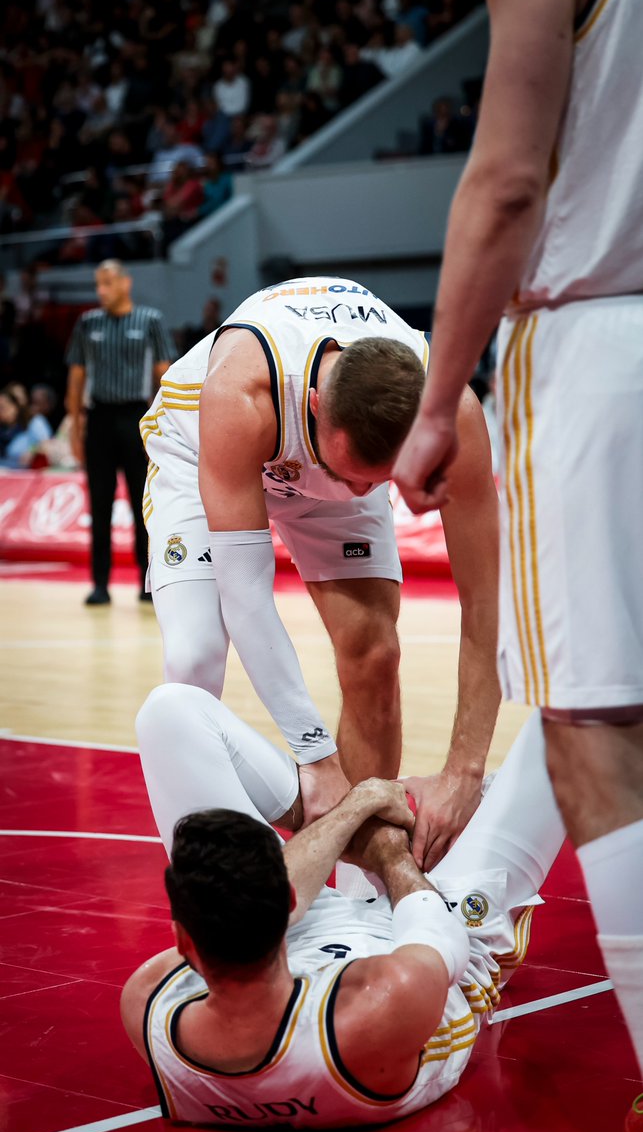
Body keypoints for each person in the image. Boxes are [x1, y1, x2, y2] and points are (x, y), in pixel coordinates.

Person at [392, 0, 643, 1111]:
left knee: (592, 729)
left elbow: (505, 181)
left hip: (600, 345)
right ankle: (481, 903)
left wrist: (439, 400)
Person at [140, 275, 500, 870]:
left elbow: (487, 601)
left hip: (319, 443)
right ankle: (213, 895)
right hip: (202, 448)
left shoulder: (452, 411)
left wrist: (465, 769)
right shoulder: (239, 391)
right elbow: (246, 593)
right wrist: (314, 757)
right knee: (193, 658)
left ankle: (367, 885)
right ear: (313, 405)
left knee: (374, 652)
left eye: (379, 481)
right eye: (357, 473)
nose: (361, 492)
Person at [121, 688, 564, 1130]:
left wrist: (354, 811)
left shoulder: (150, 1003)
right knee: (579, 712)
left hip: (305, 937)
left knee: (168, 712)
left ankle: (333, 807)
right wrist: (384, 840)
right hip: (440, 927)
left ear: (182, 941)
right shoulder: (384, 1004)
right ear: (291, 900)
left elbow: (236, 918)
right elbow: (437, 932)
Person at [66, 260, 176, 605]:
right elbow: (77, 375)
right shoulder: (87, 323)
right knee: (99, 504)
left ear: (126, 284)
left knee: (143, 504)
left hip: (135, 418)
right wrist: (74, 425)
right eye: (98, 284)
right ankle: (100, 584)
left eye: (108, 283)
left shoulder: (150, 321)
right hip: (98, 418)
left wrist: (166, 426)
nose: (101, 290)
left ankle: (148, 583)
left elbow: (165, 376)